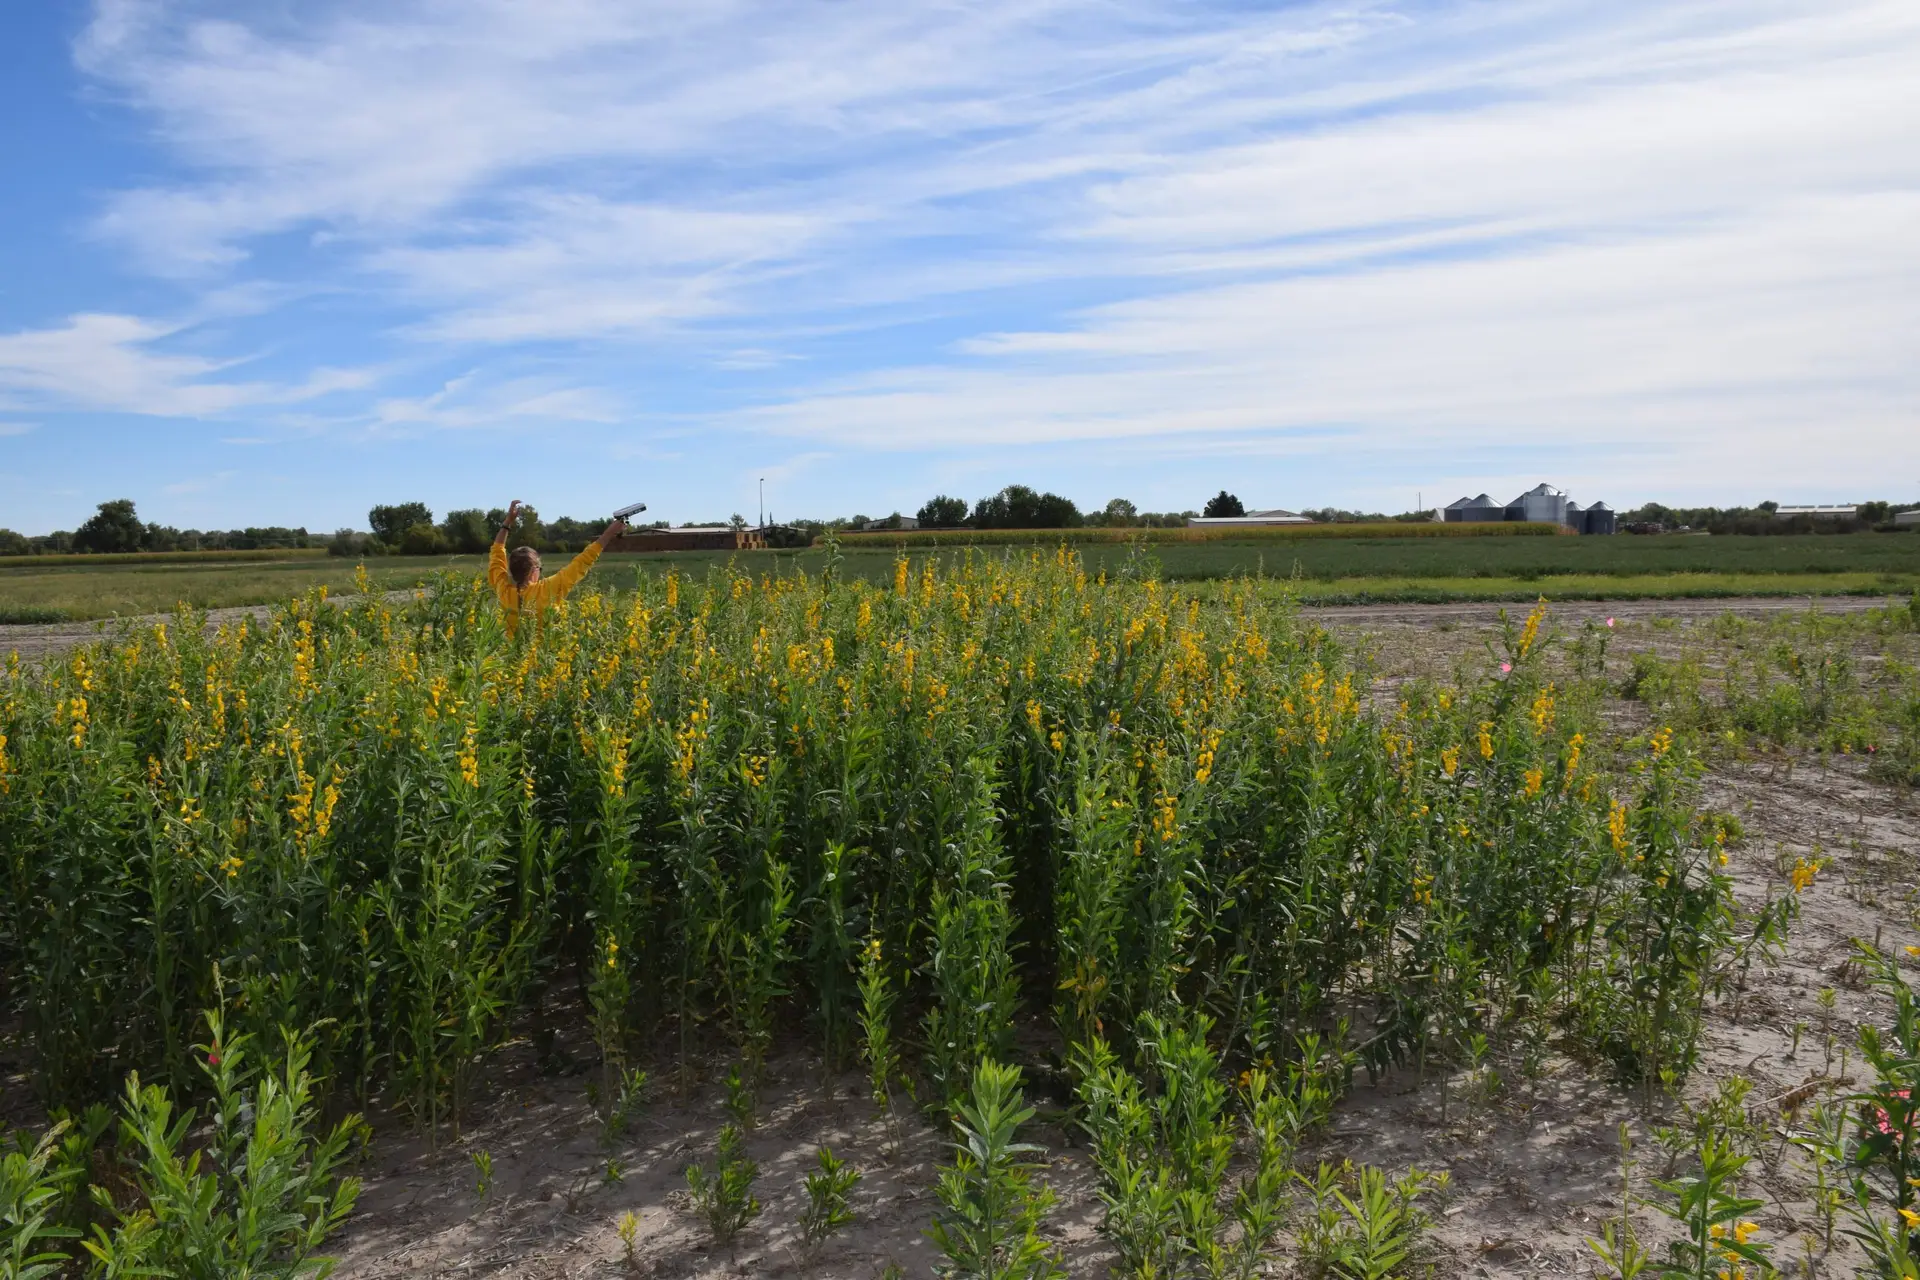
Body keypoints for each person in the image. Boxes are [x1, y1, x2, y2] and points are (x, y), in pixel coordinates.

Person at [488, 499, 627, 637]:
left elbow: (497, 553)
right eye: (539, 569)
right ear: (533, 570)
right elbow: (582, 562)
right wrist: (609, 533)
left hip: (510, 657)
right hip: (543, 657)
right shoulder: (548, 589)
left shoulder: (503, 591)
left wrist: (507, 522)